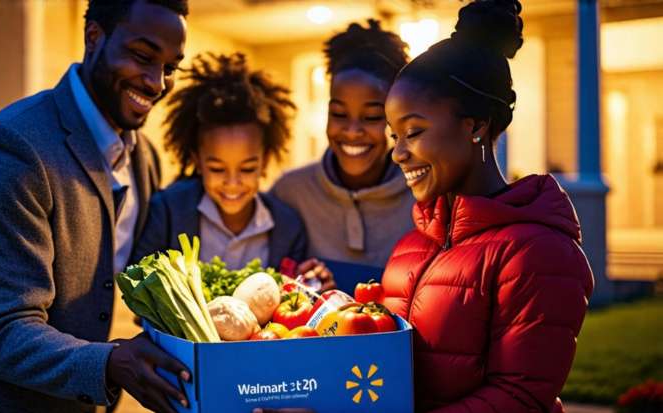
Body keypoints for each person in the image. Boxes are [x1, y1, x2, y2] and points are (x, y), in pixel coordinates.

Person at [0, 1, 193, 412]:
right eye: (142, 56)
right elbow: (1, 331)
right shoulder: (13, 147)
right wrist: (111, 364)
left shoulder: (143, 158)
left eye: (170, 68)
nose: (156, 82)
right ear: (94, 37)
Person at [382, 1, 594, 412]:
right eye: (394, 136)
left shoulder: (537, 252)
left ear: (475, 125)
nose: (398, 154)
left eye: (413, 132)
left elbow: (520, 397)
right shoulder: (410, 247)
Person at [132, 53, 310, 272]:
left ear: (264, 162)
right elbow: (139, 280)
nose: (232, 183)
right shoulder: (168, 211)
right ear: (198, 161)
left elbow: (296, 294)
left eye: (247, 168)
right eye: (217, 169)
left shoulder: (288, 226)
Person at [270, 20, 415, 269]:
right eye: (338, 114)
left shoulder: (422, 197)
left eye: (371, 117)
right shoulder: (290, 194)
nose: (352, 132)